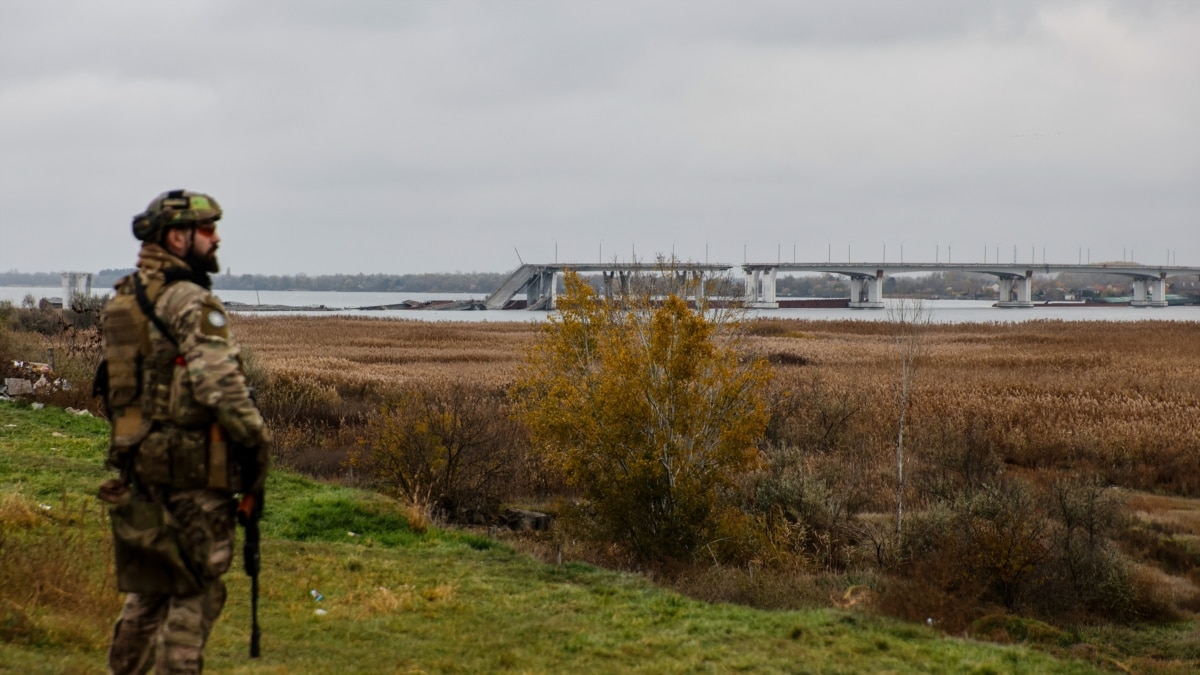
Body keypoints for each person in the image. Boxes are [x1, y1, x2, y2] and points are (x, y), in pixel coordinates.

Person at [98, 189, 270, 674]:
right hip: (194, 476)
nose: (216, 239)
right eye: (208, 229)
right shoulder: (190, 300)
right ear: (178, 236)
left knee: (149, 593)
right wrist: (257, 452)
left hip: (139, 469)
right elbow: (221, 389)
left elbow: (123, 392)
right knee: (196, 592)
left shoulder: (124, 299)